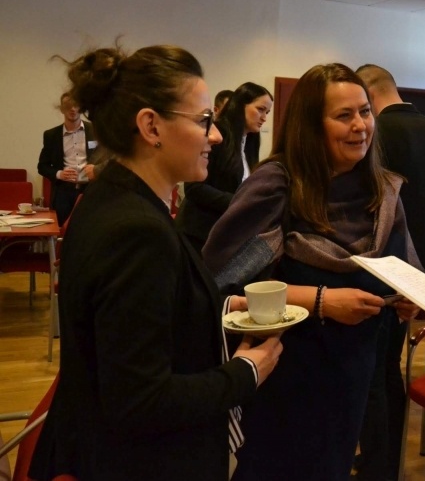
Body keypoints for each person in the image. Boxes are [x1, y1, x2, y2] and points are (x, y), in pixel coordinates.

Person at [29, 44, 283, 481]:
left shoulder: (113, 198)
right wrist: (245, 372)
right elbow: (141, 399)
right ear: (151, 126)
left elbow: (128, 328)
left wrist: (220, 309)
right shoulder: (136, 231)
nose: (216, 135)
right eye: (204, 121)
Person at [203, 63, 421, 481]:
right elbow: (220, 286)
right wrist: (321, 301)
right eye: (344, 116)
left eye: (365, 112)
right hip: (282, 375)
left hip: (352, 373)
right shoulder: (276, 186)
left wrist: (409, 300)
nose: (360, 126)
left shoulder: (382, 192)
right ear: (310, 125)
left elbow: (399, 272)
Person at [354, 63, 425, 481]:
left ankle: (381, 460)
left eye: (360, 109)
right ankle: (384, 456)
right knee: (387, 366)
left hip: (390, 266)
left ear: (370, 96)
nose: (358, 122)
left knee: (376, 371)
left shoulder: (380, 134)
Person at [176, 82, 273, 253]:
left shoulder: (249, 142)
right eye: (260, 109)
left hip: (223, 233)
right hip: (198, 233)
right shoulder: (217, 135)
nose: (264, 117)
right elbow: (194, 188)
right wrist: (239, 202)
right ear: (241, 105)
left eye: (267, 112)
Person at [37, 92, 99, 224]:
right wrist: (59, 174)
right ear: (61, 109)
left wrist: (96, 169)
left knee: (89, 229)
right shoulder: (51, 135)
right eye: (68, 106)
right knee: (61, 234)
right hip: (63, 193)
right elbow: (42, 166)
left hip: (89, 190)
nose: (73, 109)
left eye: (76, 105)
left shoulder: (95, 130)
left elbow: (108, 159)